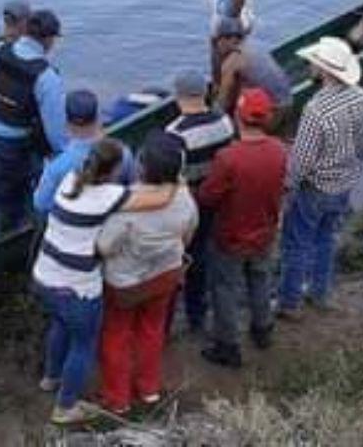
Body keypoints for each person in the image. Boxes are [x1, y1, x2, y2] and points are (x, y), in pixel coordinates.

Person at [31, 137, 178, 426]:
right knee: (84, 344)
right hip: (76, 287)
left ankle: (51, 378)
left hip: (44, 274)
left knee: (60, 325)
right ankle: (66, 406)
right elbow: (160, 199)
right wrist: (175, 179)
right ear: (113, 170)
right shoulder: (110, 195)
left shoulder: (69, 180)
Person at [96, 133, 197, 415]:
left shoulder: (128, 206)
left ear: (142, 168)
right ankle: (149, 389)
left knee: (117, 334)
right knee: (152, 331)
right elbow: (189, 233)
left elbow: (105, 246)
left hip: (125, 284)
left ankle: (118, 398)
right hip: (166, 275)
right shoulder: (185, 197)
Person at [278, 38, 363, 319]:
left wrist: (287, 188)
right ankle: (320, 292)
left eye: (313, 63)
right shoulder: (362, 97)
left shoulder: (316, 109)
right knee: (326, 239)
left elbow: (301, 162)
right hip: (344, 182)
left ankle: (289, 302)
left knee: (297, 244)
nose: (310, 65)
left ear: (323, 70)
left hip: (316, 186)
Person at [0, 8, 68, 232]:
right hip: (10, 148)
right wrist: (63, 156)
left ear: (26, 30)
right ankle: (8, 236)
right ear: (49, 40)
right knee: (13, 200)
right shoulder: (46, 77)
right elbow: (56, 132)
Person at [198, 88, 287, 367]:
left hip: (231, 236)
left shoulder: (228, 158)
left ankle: (228, 345)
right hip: (265, 231)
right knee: (260, 280)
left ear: (238, 116)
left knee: (225, 289)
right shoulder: (279, 150)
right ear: (267, 119)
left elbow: (208, 196)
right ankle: (262, 330)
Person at [165, 69, 235, 333]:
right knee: (208, 251)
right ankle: (199, 312)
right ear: (205, 92)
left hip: (190, 205)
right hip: (217, 200)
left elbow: (174, 176)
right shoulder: (225, 122)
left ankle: (190, 314)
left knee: (189, 258)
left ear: (178, 95)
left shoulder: (175, 133)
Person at [32, 90, 133, 218]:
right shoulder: (124, 153)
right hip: (108, 221)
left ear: (67, 122)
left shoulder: (56, 167)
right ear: (98, 117)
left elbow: (41, 204)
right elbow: (130, 187)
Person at [213, 17, 292, 119]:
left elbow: (222, 104)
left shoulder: (233, 61)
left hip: (273, 111)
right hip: (288, 101)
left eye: (216, 42)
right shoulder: (255, 45)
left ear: (225, 39)